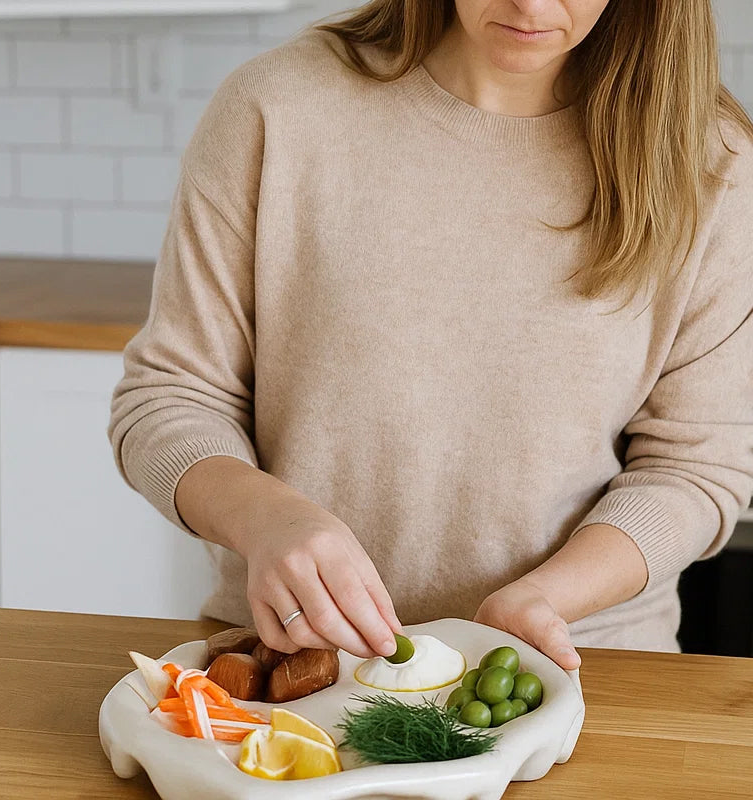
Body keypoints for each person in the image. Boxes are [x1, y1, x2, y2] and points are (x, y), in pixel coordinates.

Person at [108, 0, 753, 670]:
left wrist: (544, 598)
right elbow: (169, 399)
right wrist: (269, 518)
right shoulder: (280, 107)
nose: (530, 4)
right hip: (302, 669)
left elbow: (694, 468)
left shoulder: (713, 163)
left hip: (578, 672)